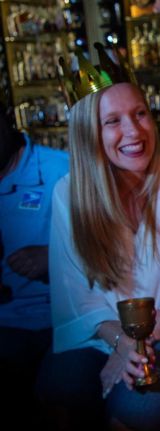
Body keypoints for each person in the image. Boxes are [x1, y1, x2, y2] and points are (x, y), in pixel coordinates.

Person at [36, 45, 160, 430]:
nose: (134, 132)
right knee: (57, 400)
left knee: (133, 416)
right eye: (113, 121)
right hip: (99, 334)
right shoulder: (68, 193)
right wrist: (121, 342)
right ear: (89, 133)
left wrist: (140, 344)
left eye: (140, 115)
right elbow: (74, 295)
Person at [0, 102, 68, 427]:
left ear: (9, 119)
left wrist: (53, 255)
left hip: (59, 321)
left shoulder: (62, 170)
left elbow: (115, 245)